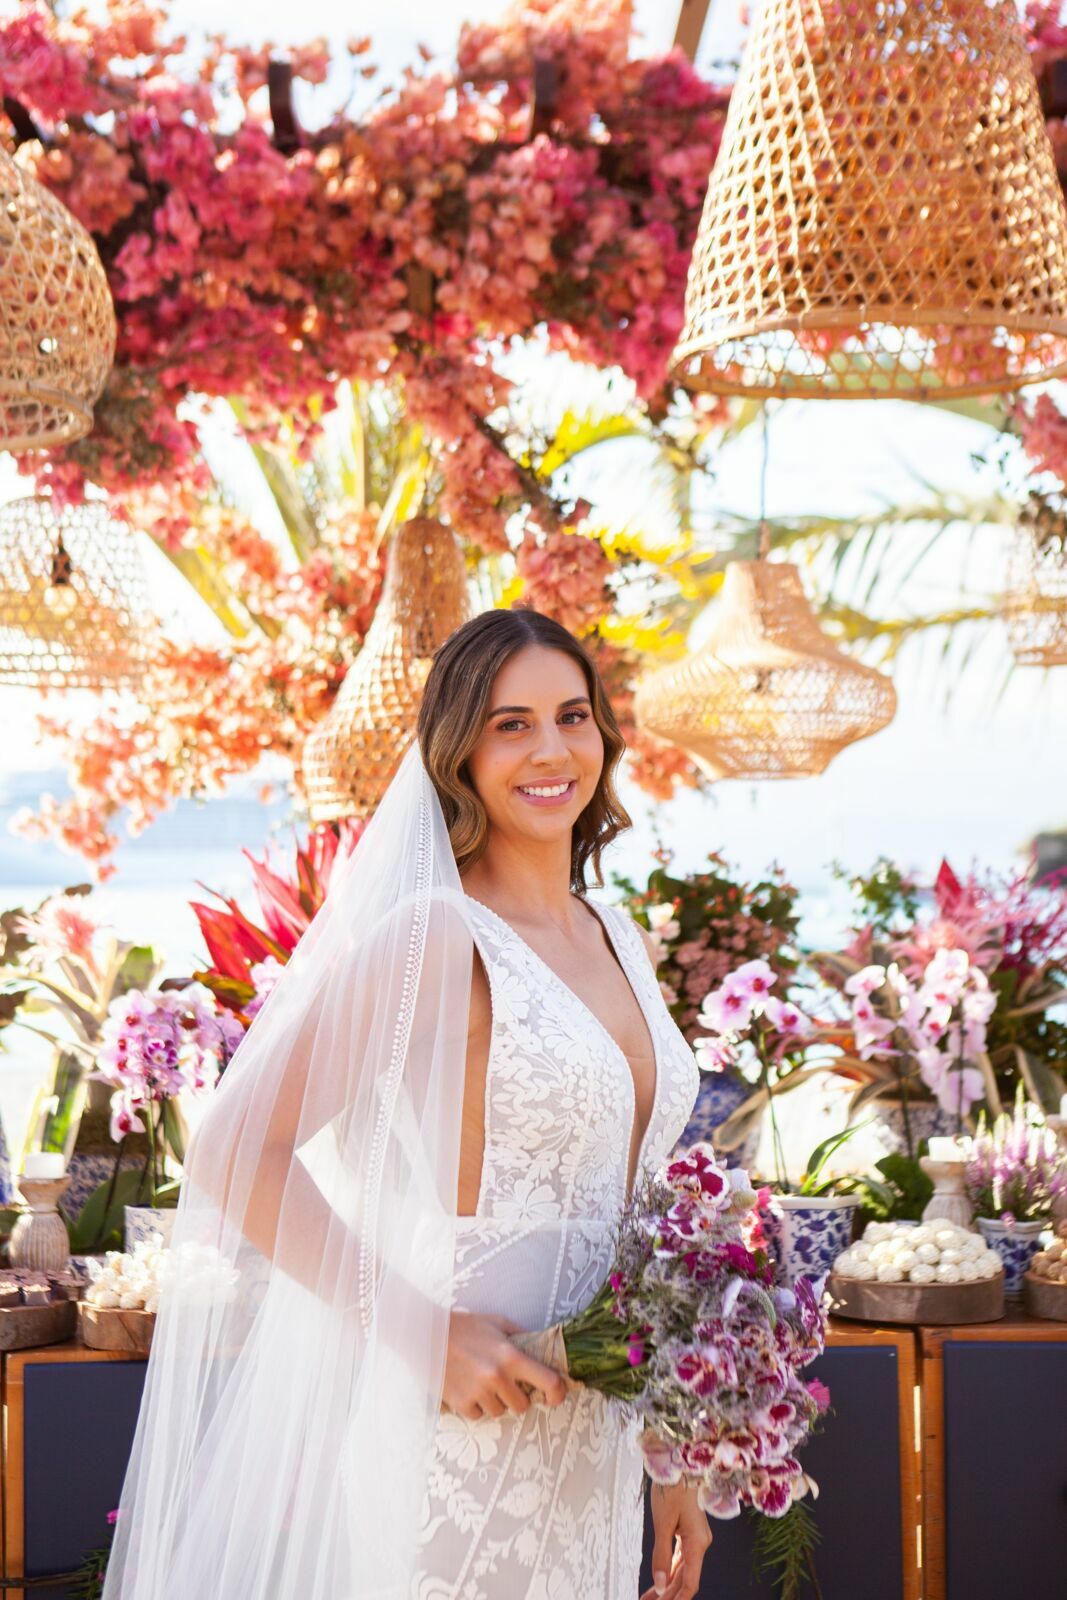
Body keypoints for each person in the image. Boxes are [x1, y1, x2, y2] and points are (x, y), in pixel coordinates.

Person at [100, 605, 707, 1600]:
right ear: (457, 753)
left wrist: (673, 1449)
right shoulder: (435, 936)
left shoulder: (615, 934)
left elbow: (637, 1222)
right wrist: (422, 1332)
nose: (550, 748)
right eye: (509, 724)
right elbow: (236, 1147)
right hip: (456, 1431)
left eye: (571, 715)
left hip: (596, 1436)